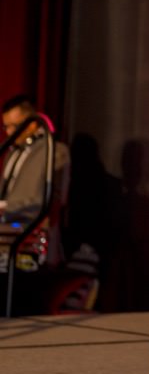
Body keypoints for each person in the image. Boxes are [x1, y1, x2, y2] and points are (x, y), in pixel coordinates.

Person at [0, 94, 71, 269]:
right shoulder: (12, 153)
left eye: (14, 126)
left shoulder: (55, 151)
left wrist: (5, 207)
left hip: (31, 242)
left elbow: (52, 201)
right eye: (6, 126)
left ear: (32, 124)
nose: (9, 132)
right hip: (6, 239)